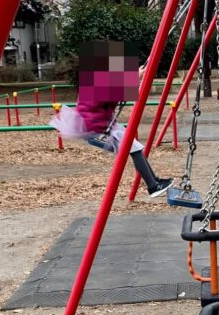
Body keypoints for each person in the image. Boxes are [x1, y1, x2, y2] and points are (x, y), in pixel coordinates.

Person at [51, 40, 174, 198]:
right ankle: (153, 186)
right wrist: (137, 76)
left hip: (103, 124)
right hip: (95, 128)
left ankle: (154, 181)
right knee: (134, 148)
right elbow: (116, 91)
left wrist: (137, 75)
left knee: (136, 148)